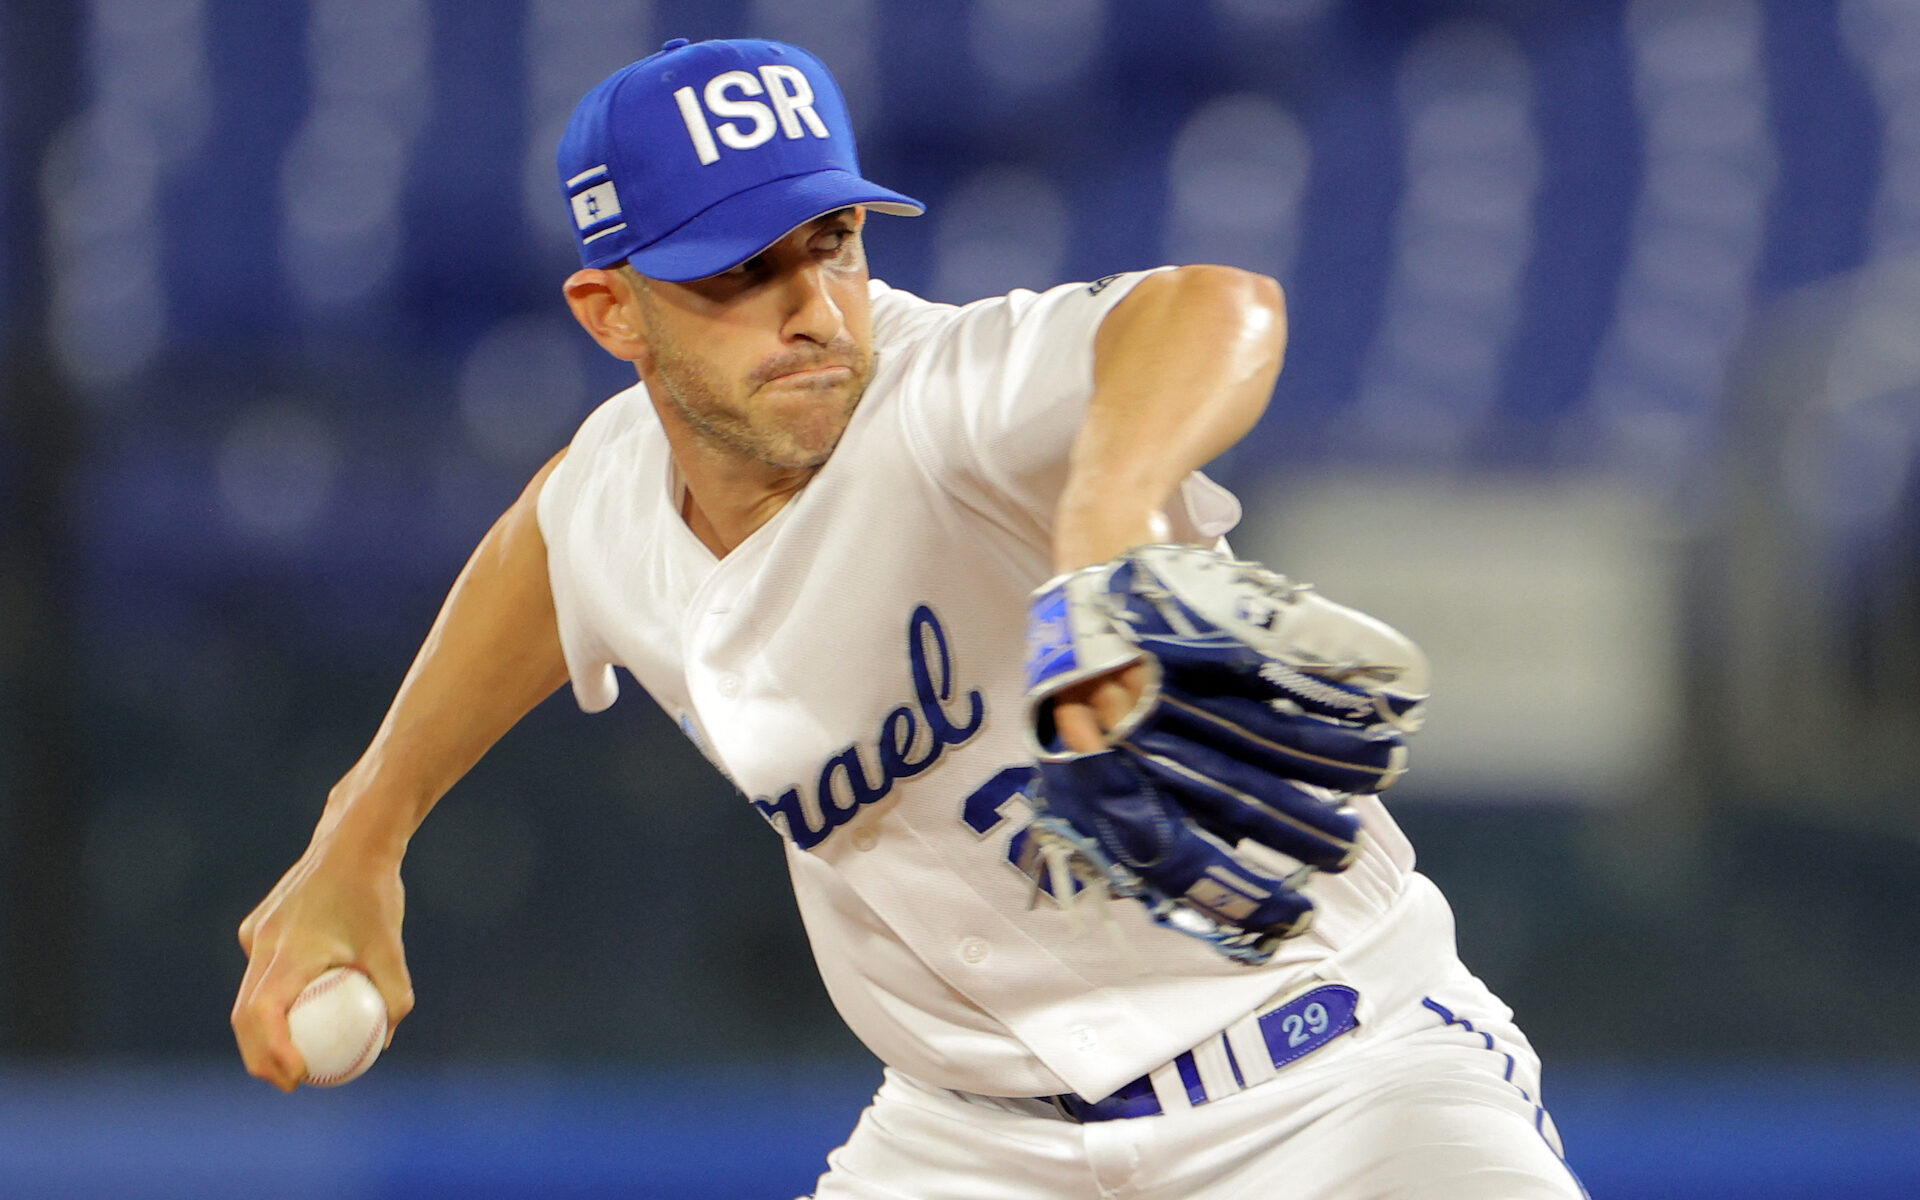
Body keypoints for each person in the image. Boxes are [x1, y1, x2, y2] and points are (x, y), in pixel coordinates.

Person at [231, 37, 1588, 1199]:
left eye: (830, 244)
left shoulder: (952, 401)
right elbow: (549, 539)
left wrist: (1108, 518)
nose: (811, 310)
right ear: (612, 314)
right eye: (737, 272)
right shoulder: (613, 497)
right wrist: (363, 829)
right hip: (969, 1148)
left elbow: (1214, 307)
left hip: (1335, 1087)